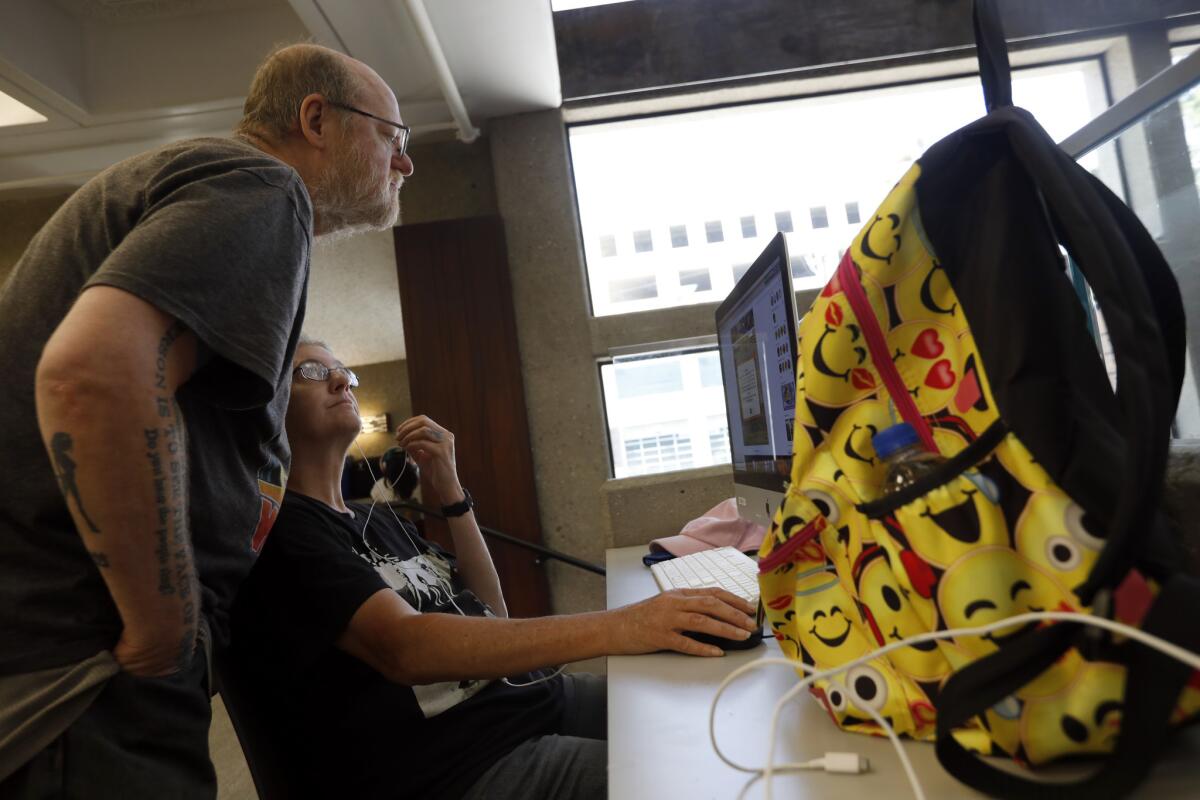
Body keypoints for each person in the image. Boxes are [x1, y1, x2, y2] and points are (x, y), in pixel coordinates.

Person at [0, 44, 414, 797]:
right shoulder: (262, 186)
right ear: (316, 119)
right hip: (89, 674)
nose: (406, 164)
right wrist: (165, 624)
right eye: (393, 136)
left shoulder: (212, 186)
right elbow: (92, 374)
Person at [231, 339, 759, 799]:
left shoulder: (378, 520)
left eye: (345, 369)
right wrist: (621, 625)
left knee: (716, 709)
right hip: (468, 767)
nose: (343, 378)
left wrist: (451, 490)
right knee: (704, 775)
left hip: (528, 702)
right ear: (269, 407)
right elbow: (405, 647)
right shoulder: (285, 535)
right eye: (314, 371)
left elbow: (491, 616)